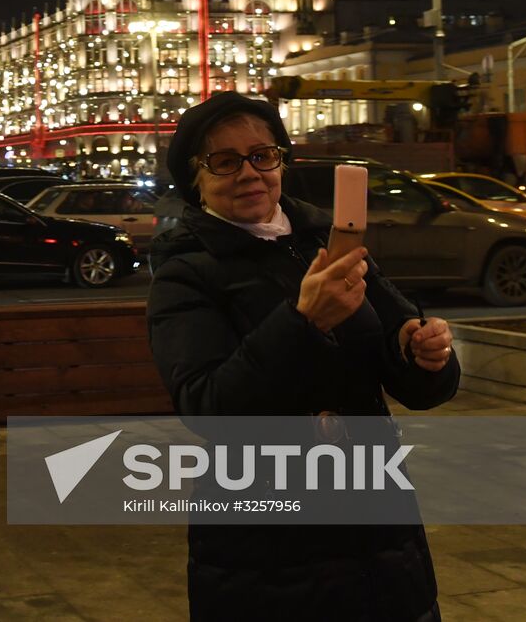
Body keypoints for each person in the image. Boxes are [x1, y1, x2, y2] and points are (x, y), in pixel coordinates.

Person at [147, 91, 459, 622]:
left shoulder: (330, 241)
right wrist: (302, 320)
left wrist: (423, 352)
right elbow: (207, 405)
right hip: (266, 551)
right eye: (224, 161)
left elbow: (413, 372)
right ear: (196, 179)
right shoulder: (186, 273)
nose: (249, 173)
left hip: (379, 533)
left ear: (281, 162)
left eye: (262, 155)